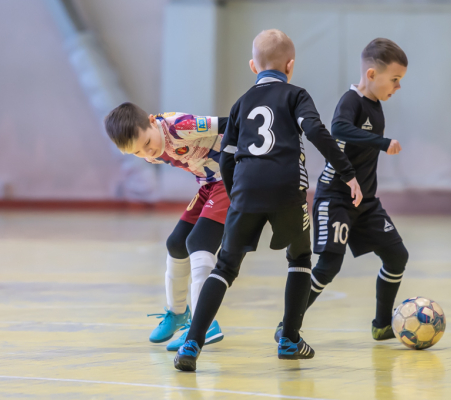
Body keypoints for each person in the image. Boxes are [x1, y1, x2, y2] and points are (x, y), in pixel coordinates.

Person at [173, 29, 362, 371]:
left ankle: (191, 344)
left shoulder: (242, 103)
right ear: (290, 65)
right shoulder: (296, 95)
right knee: (300, 257)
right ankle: (289, 339)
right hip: (287, 190)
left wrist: (237, 191)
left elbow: (226, 156)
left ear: (252, 66)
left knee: (225, 267)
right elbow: (316, 130)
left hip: (245, 191)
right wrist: (347, 172)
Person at [275, 38, 409, 342]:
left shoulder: (376, 107)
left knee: (397, 256)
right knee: (328, 266)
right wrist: (382, 142)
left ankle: (382, 325)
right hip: (335, 198)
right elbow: (339, 129)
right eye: (395, 79)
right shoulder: (352, 101)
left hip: (366, 202)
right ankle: (287, 326)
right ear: (371, 74)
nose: (398, 87)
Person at [104, 103, 228, 351]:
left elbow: (232, 122)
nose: (147, 152)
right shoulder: (149, 148)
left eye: (147, 143)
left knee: (199, 243)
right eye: (137, 152)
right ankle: (178, 313)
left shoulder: (181, 126)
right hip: (209, 184)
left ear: (152, 121)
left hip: (231, 180)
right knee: (176, 244)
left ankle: (203, 325)